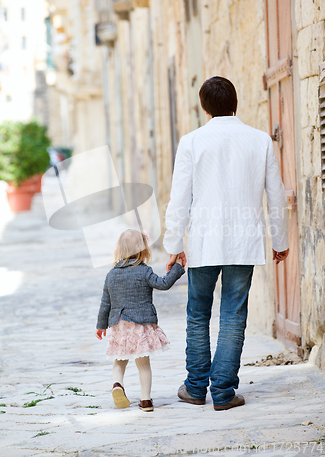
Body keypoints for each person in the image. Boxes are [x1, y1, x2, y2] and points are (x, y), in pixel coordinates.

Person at [163, 76, 289, 411]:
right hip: (244, 241)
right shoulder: (260, 141)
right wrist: (280, 239)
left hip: (204, 240)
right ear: (235, 102)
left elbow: (179, 199)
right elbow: (276, 195)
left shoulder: (191, 142)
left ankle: (194, 387)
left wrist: (174, 244)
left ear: (204, 107)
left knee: (197, 314)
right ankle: (222, 391)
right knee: (234, 314)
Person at [96, 229, 185, 412]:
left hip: (119, 324)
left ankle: (117, 384)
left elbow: (105, 302)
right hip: (140, 325)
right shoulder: (144, 271)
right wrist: (177, 267)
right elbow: (163, 283)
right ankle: (146, 401)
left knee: (119, 360)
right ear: (143, 250)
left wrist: (100, 325)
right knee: (143, 364)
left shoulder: (111, 274)